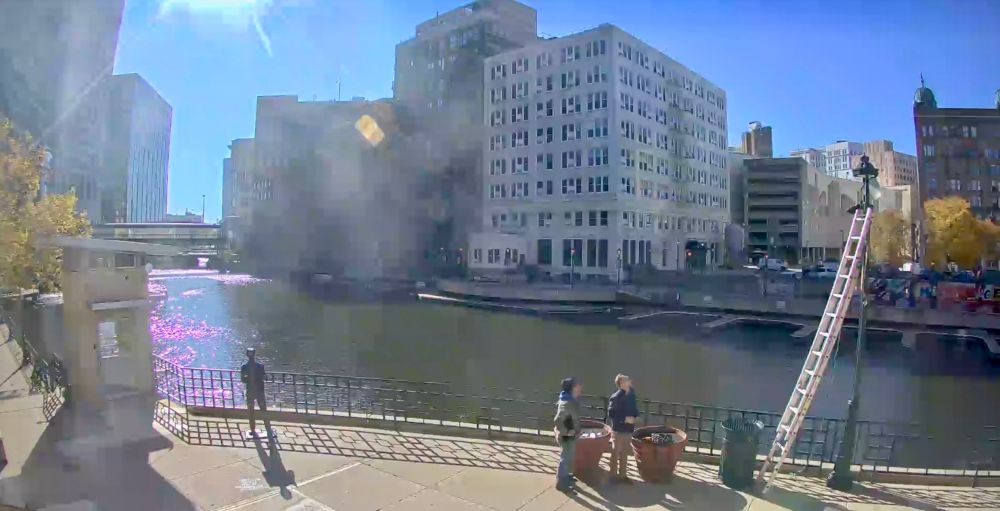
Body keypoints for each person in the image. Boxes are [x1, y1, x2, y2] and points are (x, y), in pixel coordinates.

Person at [607, 374, 638, 483]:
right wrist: (625, 419)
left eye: (628, 379)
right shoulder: (616, 396)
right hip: (619, 429)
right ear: (621, 384)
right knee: (616, 452)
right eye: (626, 380)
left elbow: (634, 408)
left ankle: (622, 476)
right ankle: (612, 476)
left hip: (628, 429)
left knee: (625, 452)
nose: (629, 381)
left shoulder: (632, 394)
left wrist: (635, 417)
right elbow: (611, 413)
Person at [553, 377, 582, 492]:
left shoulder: (570, 399)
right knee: (566, 457)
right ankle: (561, 483)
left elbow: (570, 417)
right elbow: (558, 419)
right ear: (572, 388)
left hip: (570, 432)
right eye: (577, 385)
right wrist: (569, 430)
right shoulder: (566, 401)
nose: (580, 387)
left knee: (569, 455)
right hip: (567, 434)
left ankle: (566, 476)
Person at [240, 348, 270, 436]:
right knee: (263, 409)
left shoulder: (244, 367)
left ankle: (252, 430)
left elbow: (243, 379)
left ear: (247, 355)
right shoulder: (260, 366)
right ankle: (268, 429)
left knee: (251, 411)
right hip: (259, 390)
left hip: (250, 390)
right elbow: (265, 377)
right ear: (254, 354)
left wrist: (249, 380)